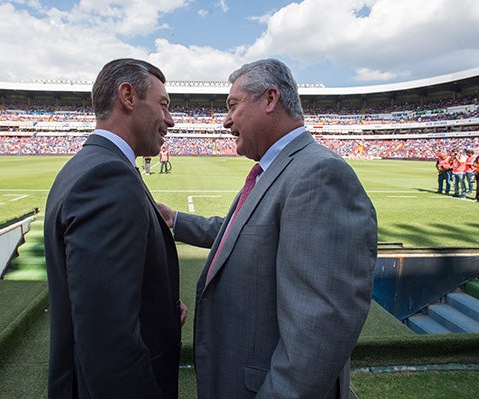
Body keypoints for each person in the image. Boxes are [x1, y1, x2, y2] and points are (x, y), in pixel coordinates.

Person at [158, 59, 377, 398]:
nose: (226, 120)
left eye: (233, 105)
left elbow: (320, 326)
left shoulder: (318, 175)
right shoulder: (279, 168)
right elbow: (247, 233)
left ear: (270, 100)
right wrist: (177, 221)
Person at [44, 58, 185, 399]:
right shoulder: (108, 177)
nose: (171, 120)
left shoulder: (88, 165)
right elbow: (108, 341)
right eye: (163, 105)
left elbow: (101, 294)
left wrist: (159, 310)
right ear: (128, 96)